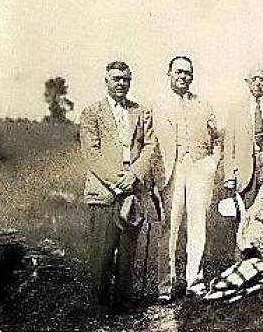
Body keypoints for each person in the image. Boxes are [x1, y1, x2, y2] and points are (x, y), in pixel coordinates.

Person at [79, 61, 157, 313]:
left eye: (126, 79)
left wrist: (133, 175)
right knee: (101, 252)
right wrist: (116, 181)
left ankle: (124, 302)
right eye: (116, 79)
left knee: (127, 251)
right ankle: (100, 305)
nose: (121, 83)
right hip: (103, 190)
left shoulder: (141, 112)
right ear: (106, 80)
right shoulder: (92, 113)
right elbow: (92, 153)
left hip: (132, 190)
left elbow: (149, 146)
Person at [151, 56, 219, 301]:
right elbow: (149, 143)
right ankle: (165, 286)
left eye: (188, 73)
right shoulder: (156, 105)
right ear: (168, 73)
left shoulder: (204, 104)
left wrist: (212, 163)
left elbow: (216, 138)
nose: (183, 76)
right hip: (172, 170)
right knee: (169, 227)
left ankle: (195, 280)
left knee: (198, 225)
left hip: (199, 167)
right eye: (178, 72)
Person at [221, 67, 263, 209]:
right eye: (254, 79)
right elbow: (229, 148)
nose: (258, 83)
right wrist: (229, 177)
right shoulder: (236, 111)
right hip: (245, 176)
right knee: (243, 217)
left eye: (262, 80)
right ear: (247, 82)